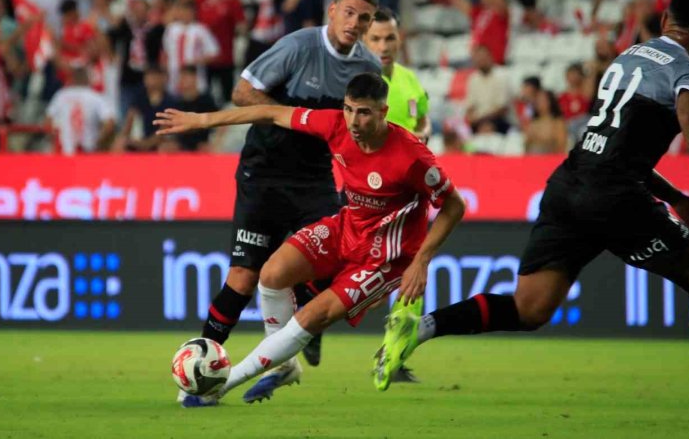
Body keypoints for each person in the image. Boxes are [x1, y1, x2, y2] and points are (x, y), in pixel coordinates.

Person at [374, 0, 689, 433]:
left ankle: (418, 330)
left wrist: (677, 199)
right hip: (615, 197)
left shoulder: (628, 58)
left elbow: (613, 150)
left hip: (569, 185)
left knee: (529, 308)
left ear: (666, 18)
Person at [154, 73, 466, 406]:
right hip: (346, 228)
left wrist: (421, 260)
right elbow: (271, 113)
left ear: (383, 112)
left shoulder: (412, 158)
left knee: (311, 317)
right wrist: (204, 120)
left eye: (363, 112)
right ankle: (284, 364)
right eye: (348, 109)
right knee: (271, 275)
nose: (354, 121)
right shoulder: (335, 125)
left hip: (384, 257)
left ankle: (218, 386)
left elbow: (454, 206)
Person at [191, 0, 380, 395]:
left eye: (364, 17)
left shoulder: (368, 68)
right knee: (243, 276)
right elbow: (242, 91)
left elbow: (362, 127)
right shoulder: (298, 47)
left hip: (315, 178)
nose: (355, 23)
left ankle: (298, 343)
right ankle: (199, 369)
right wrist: (290, 117)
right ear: (332, 11)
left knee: (327, 265)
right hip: (265, 172)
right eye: (349, 12)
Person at [362, 8, 431, 142]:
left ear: (400, 38)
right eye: (376, 39)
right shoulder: (354, 81)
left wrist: (424, 134)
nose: (384, 47)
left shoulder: (410, 77)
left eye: (390, 38)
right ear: (364, 40)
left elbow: (422, 118)